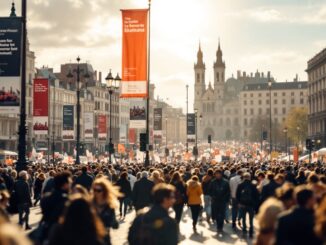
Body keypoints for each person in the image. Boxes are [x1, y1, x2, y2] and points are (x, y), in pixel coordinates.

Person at [41, 171, 72, 240]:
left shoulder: (46, 198)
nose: (71, 184)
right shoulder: (66, 200)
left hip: (47, 232)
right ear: (65, 184)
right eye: (69, 182)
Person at [92, 177, 120, 245]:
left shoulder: (109, 206)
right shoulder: (89, 204)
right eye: (94, 190)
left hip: (105, 239)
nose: (96, 192)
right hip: (91, 239)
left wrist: (114, 223)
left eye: (99, 190)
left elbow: (115, 225)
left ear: (104, 191)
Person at [236, 172, 259, 238]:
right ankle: (251, 232)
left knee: (244, 219)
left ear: (243, 177)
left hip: (242, 204)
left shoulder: (240, 185)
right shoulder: (253, 185)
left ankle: (244, 231)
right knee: (251, 219)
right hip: (251, 205)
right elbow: (256, 196)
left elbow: (237, 195)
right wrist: (255, 204)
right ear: (249, 177)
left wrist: (239, 203)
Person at [209, 169, 231, 233]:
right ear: (215, 175)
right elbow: (209, 191)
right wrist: (213, 196)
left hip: (223, 201)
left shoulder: (226, 182)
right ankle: (219, 226)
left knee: (222, 214)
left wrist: (226, 199)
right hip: (215, 201)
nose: (218, 175)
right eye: (216, 174)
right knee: (216, 214)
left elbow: (228, 192)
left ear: (221, 174)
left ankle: (220, 226)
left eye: (219, 174)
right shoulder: (213, 182)